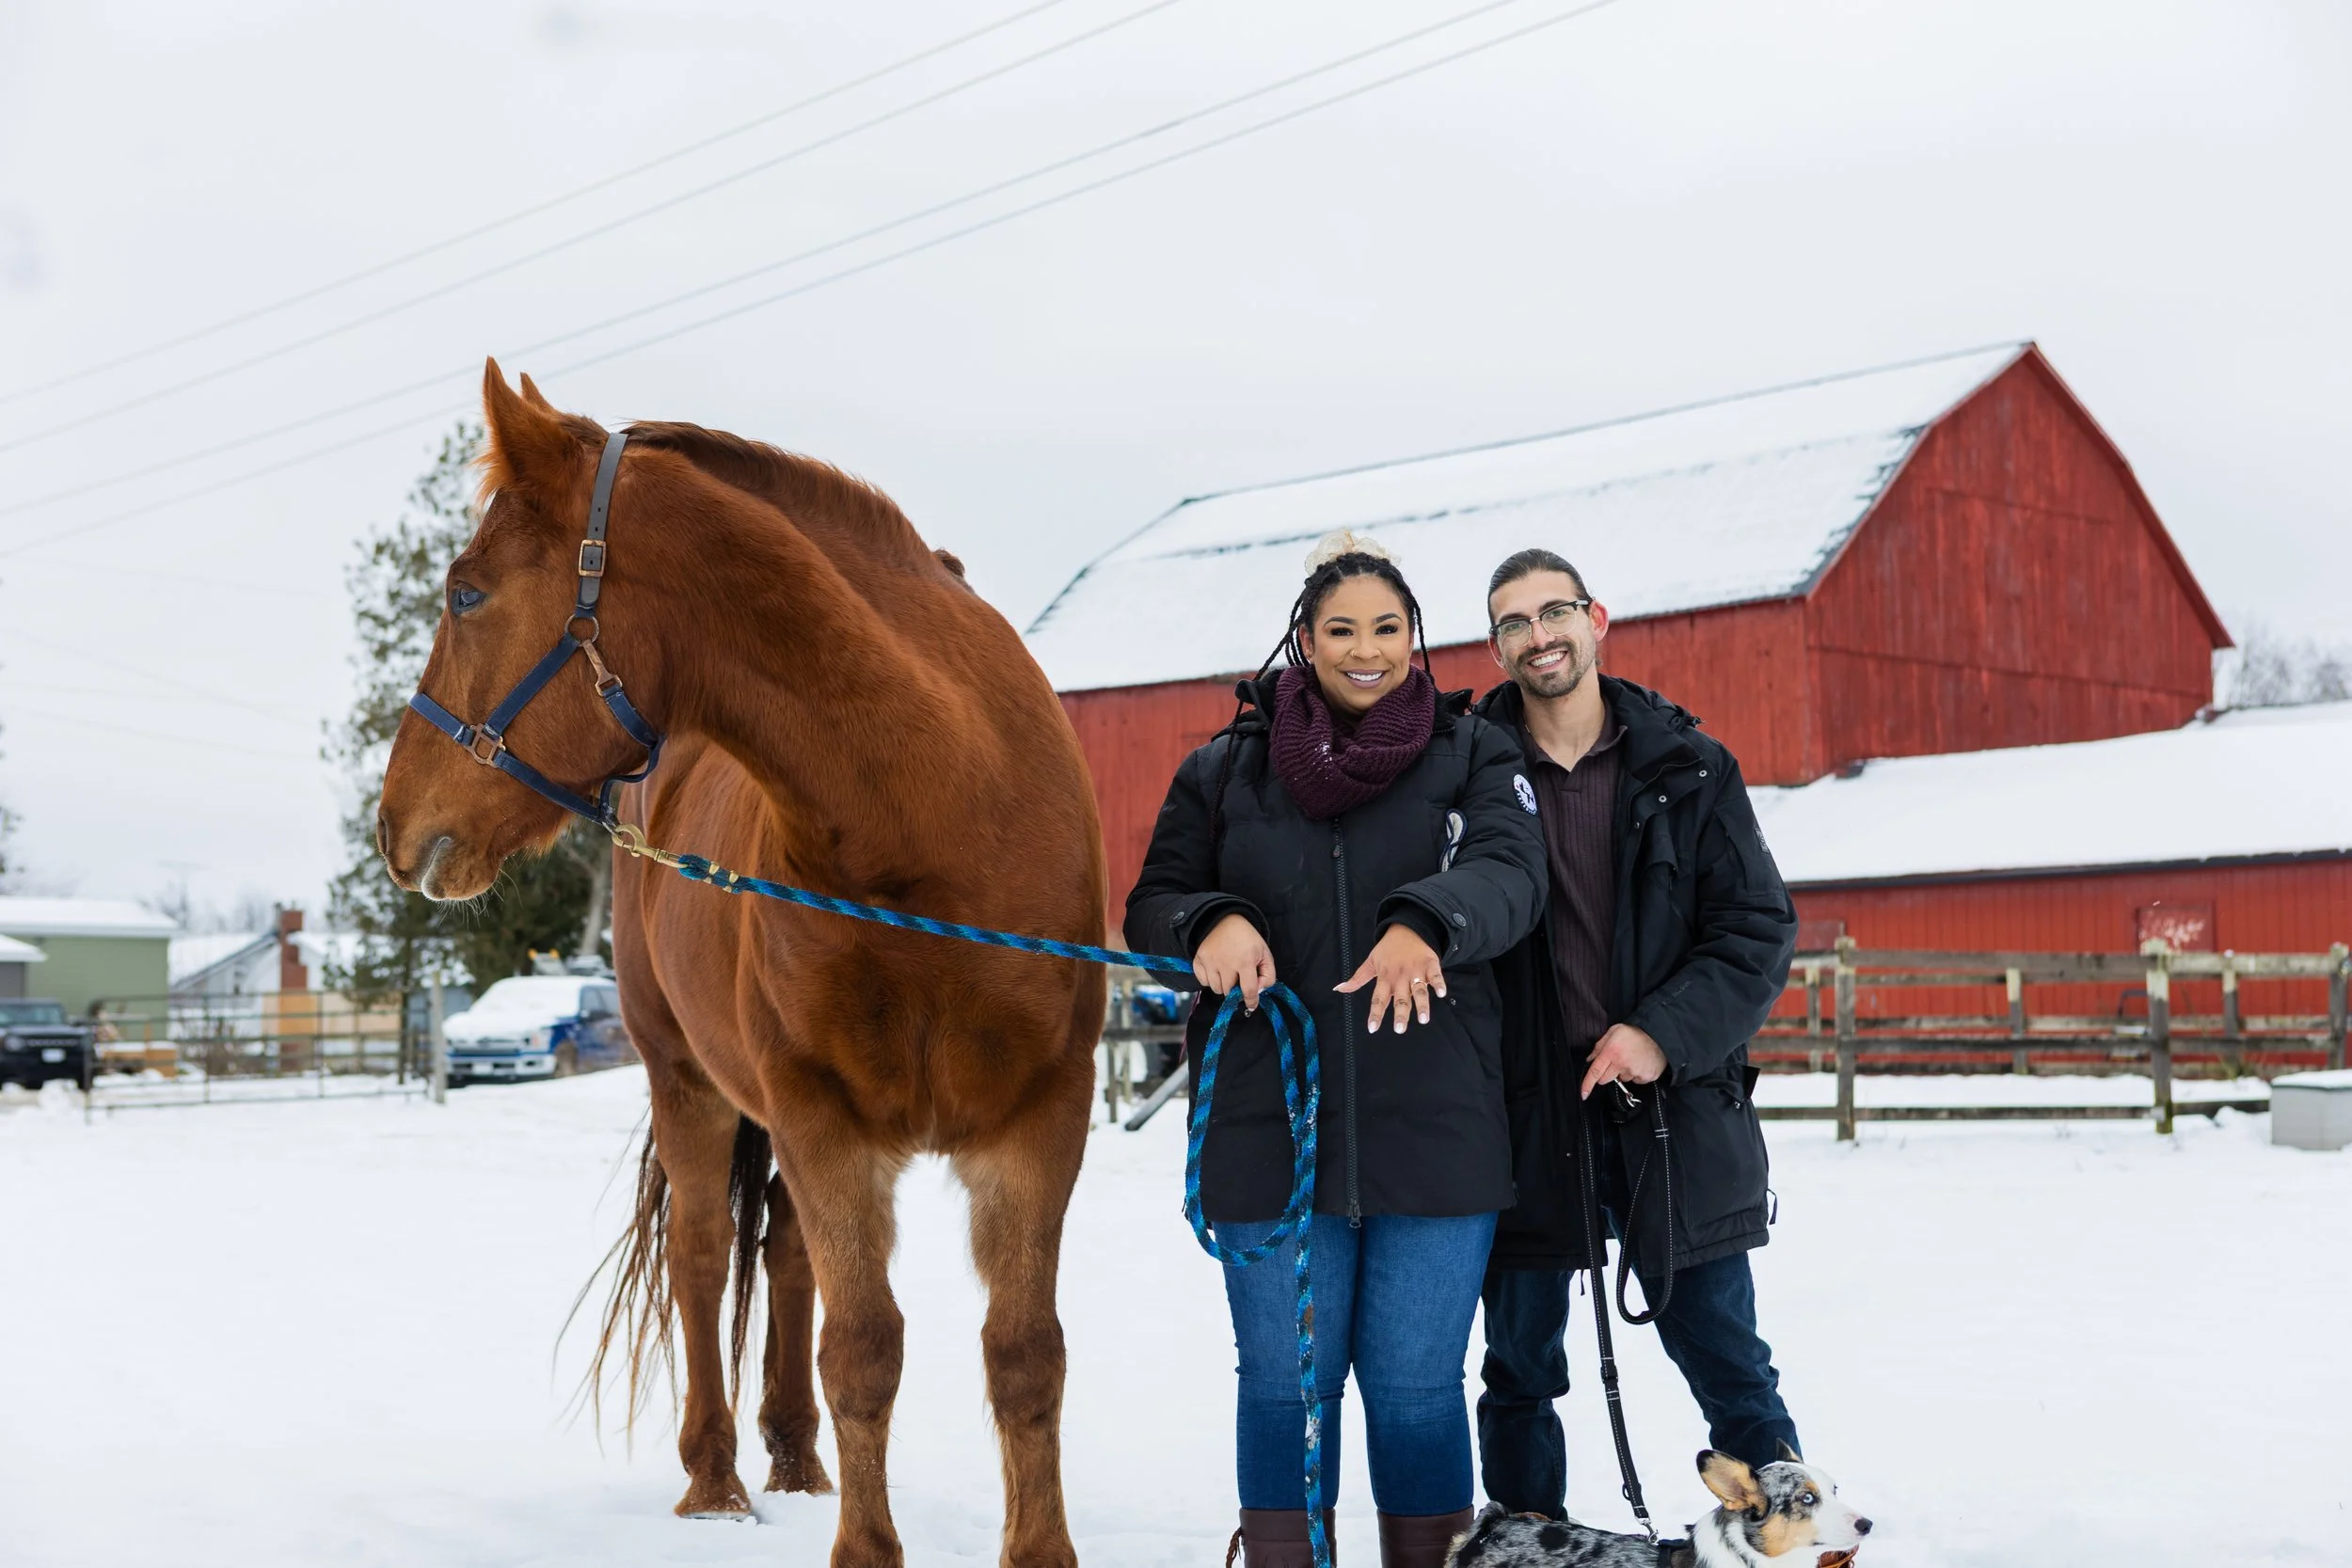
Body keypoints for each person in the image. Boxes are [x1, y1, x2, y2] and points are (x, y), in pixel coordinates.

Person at [1127, 531, 1547, 1568]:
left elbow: (1512, 871)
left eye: (1388, 628)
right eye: (1342, 630)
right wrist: (1209, 921)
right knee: (1283, 1385)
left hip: (1436, 1135)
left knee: (1413, 1390)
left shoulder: (1473, 754)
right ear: (1303, 641)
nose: (1367, 649)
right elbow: (1153, 901)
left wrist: (1427, 919)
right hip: (1270, 1132)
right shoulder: (1224, 769)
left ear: (1415, 640)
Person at [1470, 547, 1802, 1519]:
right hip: (1527, 1118)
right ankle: (1530, 1545)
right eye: (1513, 622)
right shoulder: (1467, 772)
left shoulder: (1689, 766)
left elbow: (1756, 928)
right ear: (1495, 647)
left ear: (1596, 616)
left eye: (1553, 611)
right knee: (1520, 1368)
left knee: (1729, 1362)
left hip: (1669, 1113)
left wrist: (1658, 1032)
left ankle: (1793, 1537)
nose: (1538, 635)